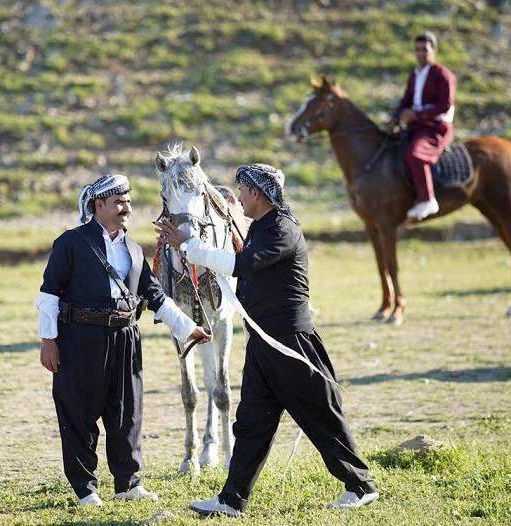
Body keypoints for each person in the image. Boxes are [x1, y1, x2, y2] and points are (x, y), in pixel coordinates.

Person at [156, 164, 378, 516]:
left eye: (242, 192)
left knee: (321, 414)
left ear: (257, 194)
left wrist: (190, 246)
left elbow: (241, 264)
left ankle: (361, 485)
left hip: (290, 341)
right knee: (251, 423)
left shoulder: (282, 230)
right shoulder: (260, 227)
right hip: (263, 343)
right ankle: (232, 500)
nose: (238, 198)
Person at [36, 174, 212, 507]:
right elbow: (49, 294)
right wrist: (49, 340)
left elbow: (155, 295)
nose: (126, 208)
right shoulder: (70, 243)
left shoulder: (133, 248)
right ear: (98, 205)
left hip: (126, 338)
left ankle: (128, 484)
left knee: (127, 414)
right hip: (80, 340)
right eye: (118, 202)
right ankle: (86, 489)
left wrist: (188, 328)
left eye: (128, 202)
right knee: (79, 413)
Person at [388, 31, 457, 221]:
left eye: (424, 50)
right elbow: (406, 100)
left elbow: (446, 104)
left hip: (436, 128)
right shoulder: (415, 75)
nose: (420, 53)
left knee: (415, 154)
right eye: (417, 50)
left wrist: (417, 115)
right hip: (416, 126)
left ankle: (428, 199)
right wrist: (395, 117)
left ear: (434, 50)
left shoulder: (443, 75)